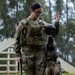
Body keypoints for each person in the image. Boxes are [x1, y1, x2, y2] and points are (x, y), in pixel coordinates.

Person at [15, 2, 60, 75]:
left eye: (40, 12)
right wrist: (18, 55)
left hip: (40, 53)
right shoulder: (23, 23)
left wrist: (57, 22)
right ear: (31, 10)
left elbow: (54, 33)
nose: (39, 14)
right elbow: (17, 39)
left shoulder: (43, 23)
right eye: (37, 12)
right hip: (27, 54)